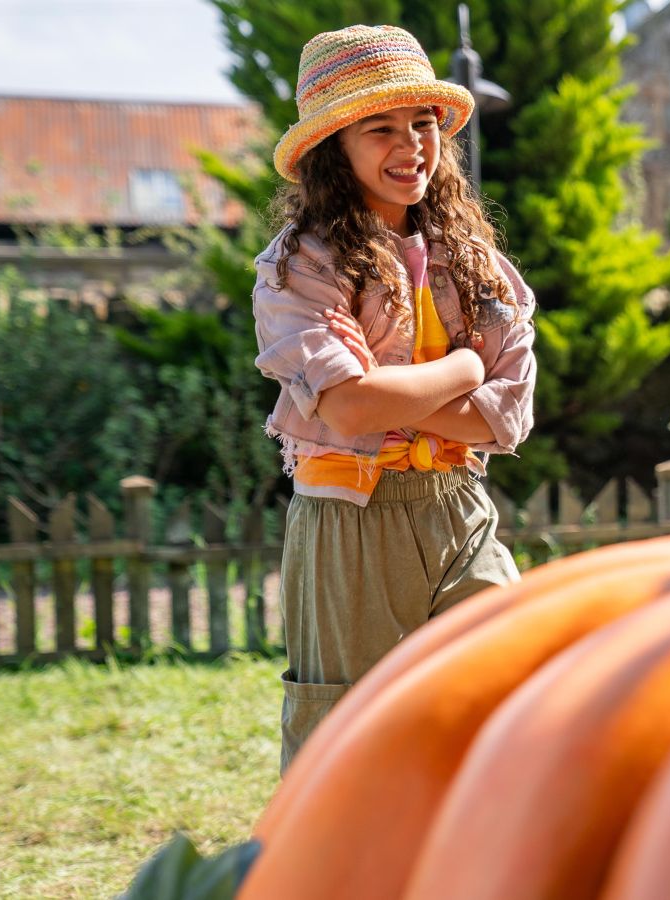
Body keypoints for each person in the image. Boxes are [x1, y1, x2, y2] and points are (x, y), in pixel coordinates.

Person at [250, 23, 535, 772]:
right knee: (342, 739)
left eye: (422, 124)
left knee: (519, 689)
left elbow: (506, 418)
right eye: (380, 128)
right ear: (333, 149)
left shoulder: (479, 265)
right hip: (349, 517)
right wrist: (468, 367)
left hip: (458, 507)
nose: (410, 144)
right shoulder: (299, 267)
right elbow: (348, 409)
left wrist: (394, 393)